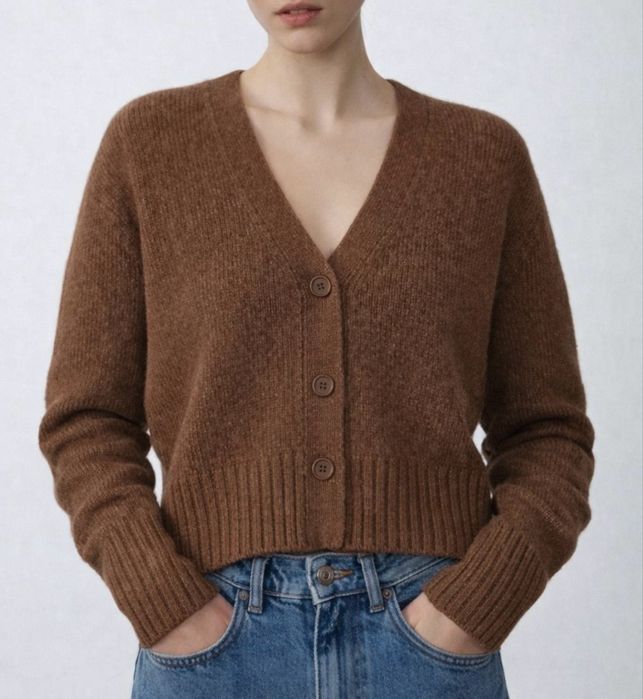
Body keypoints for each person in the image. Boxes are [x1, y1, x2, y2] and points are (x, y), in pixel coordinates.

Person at [37, 1, 596, 697]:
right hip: (211, 645)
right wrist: (161, 597)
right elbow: (87, 418)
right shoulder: (150, 145)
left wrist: (475, 606)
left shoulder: (481, 157)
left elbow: (548, 431)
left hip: (429, 642)